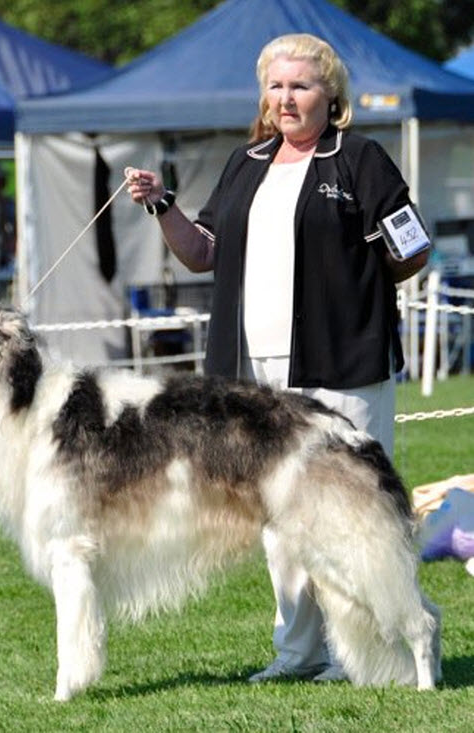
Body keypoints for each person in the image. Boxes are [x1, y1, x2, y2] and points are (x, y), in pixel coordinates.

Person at [126, 33, 430, 683]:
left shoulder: (362, 160)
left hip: (343, 364)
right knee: (277, 515)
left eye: (301, 86)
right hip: (252, 377)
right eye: (275, 85)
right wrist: (161, 203)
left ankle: (369, 654)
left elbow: (412, 248)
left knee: (350, 511)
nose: (285, 98)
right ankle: (298, 652)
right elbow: (203, 250)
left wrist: (357, 296)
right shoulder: (245, 162)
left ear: (332, 96)